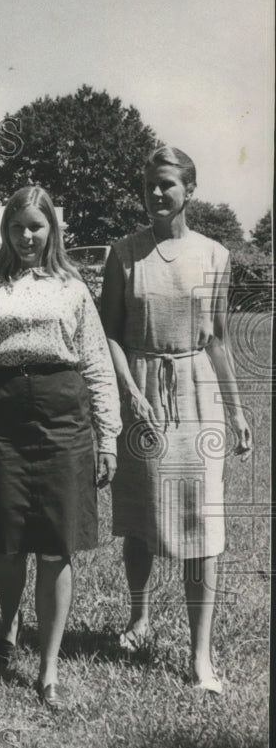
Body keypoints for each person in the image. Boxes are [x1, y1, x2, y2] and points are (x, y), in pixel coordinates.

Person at [0, 185, 120, 710]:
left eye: (36, 227)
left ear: (52, 231)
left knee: (56, 541)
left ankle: (48, 667)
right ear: (6, 230)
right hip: (1, 418)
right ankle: (7, 626)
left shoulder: (72, 288)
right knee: (6, 539)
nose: (26, 236)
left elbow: (95, 363)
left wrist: (108, 435)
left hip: (62, 417)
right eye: (17, 226)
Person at [101, 146, 252, 695]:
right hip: (139, 389)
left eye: (167, 184)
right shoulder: (123, 253)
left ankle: (200, 657)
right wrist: (130, 393)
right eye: (148, 185)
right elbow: (109, 333)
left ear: (190, 188)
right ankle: (138, 620)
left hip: (194, 394)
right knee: (141, 518)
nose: (156, 193)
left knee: (201, 527)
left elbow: (217, 339)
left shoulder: (215, 255)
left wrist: (235, 410)